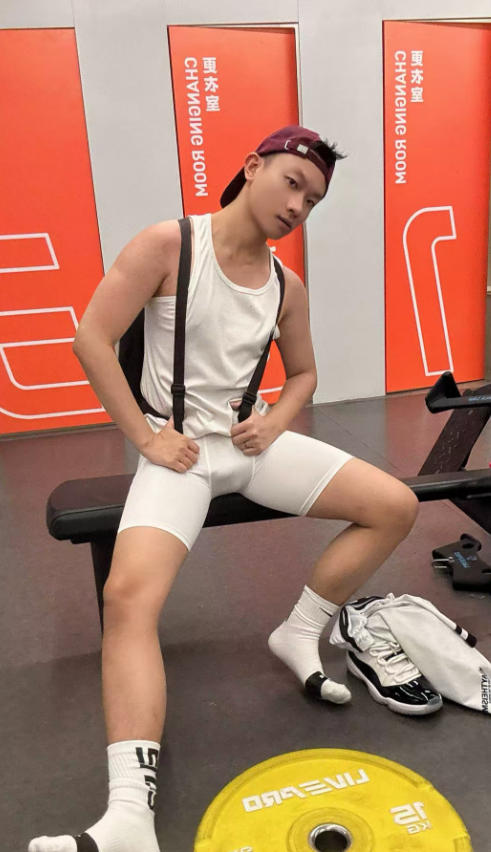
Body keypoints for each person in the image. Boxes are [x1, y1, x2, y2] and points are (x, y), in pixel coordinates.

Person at [29, 125, 435, 852]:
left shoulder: (285, 286)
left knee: (394, 506)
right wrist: (147, 438)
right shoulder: (170, 245)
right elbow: (91, 339)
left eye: (312, 200)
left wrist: (273, 421)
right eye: (291, 183)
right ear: (252, 167)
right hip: (179, 455)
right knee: (127, 599)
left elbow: (304, 374)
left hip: (250, 449)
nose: (297, 206)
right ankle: (129, 816)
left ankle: (300, 631)